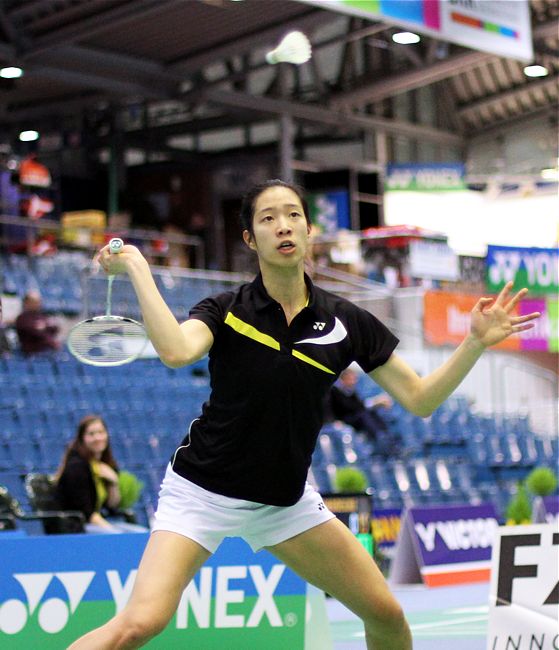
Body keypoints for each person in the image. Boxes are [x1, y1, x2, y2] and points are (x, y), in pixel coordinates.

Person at [69, 179, 539, 649]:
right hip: (202, 493)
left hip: (284, 502)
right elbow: (175, 350)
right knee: (140, 623)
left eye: (293, 215)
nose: (283, 226)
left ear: (310, 230)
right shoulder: (225, 309)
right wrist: (135, 265)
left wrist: (474, 342)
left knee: (387, 615)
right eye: (268, 218)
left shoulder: (347, 321)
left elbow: (420, 399)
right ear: (251, 239)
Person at [56, 414, 143, 534]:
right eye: (91, 434)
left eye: (101, 432)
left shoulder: (105, 465)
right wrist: (114, 532)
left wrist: (113, 482)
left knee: (140, 533)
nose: (97, 438)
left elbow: (112, 507)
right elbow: (87, 514)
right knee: (118, 536)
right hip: (78, 526)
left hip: (97, 521)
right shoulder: (76, 467)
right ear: (82, 439)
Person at [328, 366, 400, 457]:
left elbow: (359, 405)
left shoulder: (351, 391)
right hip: (344, 420)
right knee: (364, 414)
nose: (354, 381)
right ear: (344, 379)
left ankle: (385, 436)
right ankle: (379, 438)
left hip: (356, 417)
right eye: (351, 379)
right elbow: (351, 407)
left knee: (372, 413)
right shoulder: (335, 392)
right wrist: (375, 402)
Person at [15, 290, 60, 354]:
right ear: (26, 302)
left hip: (47, 352)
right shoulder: (22, 318)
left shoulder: (42, 316)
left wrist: (44, 326)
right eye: (34, 302)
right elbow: (36, 332)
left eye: (39, 301)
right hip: (31, 355)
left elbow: (55, 328)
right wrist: (45, 326)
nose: (38, 304)